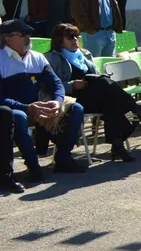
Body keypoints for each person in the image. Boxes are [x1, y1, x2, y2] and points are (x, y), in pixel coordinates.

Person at [45, 23, 141, 161]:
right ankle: (138, 113)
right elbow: (50, 85)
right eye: (70, 37)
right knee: (105, 87)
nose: (75, 40)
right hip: (72, 99)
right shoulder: (52, 58)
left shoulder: (84, 54)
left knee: (109, 97)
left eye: (77, 36)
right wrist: (72, 85)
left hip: (94, 97)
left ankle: (119, 145)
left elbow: (98, 75)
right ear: (59, 40)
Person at [0, 19, 87, 179]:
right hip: (18, 109)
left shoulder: (37, 57)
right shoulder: (1, 60)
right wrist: (26, 107)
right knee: (18, 117)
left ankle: (63, 158)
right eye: (24, 34)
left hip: (42, 105)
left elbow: (56, 84)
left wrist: (57, 101)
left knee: (76, 108)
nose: (29, 38)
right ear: (8, 38)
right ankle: (33, 167)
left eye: (29, 34)